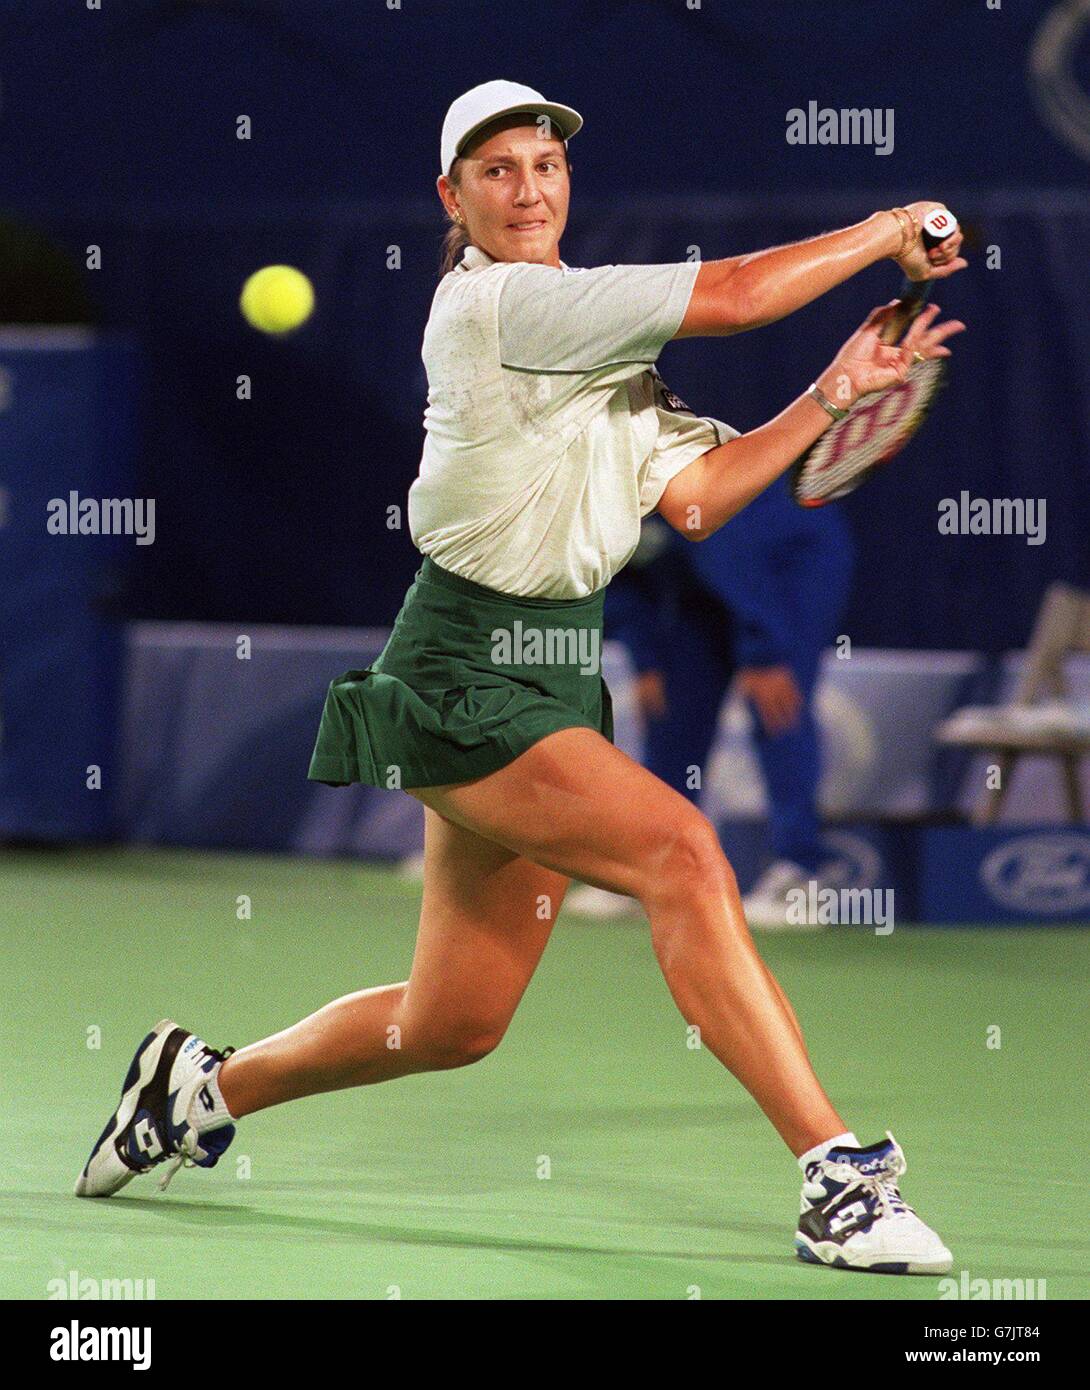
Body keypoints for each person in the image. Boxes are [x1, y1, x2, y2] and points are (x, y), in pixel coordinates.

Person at [75, 80, 966, 1275]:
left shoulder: (601, 355)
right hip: (463, 670)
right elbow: (743, 293)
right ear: (455, 198)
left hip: (553, 675)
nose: (530, 188)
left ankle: (197, 1091)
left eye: (545, 165)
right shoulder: (502, 305)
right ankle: (834, 1181)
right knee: (683, 853)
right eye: (498, 171)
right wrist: (883, 229)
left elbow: (696, 500)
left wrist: (827, 398)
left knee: (451, 1022)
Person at [567, 480, 855, 928]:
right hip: (700, 583)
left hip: (790, 566)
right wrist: (647, 662)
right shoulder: (588, 494)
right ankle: (651, 867)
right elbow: (620, 581)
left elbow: (736, 562)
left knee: (776, 708)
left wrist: (765, 653)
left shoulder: (671, 475)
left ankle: (804, 874)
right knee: (672, 711)